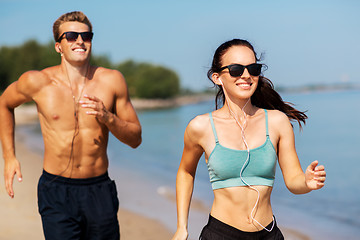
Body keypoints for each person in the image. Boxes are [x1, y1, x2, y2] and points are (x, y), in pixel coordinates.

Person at [0, 11, 142, 240]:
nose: (80, 41)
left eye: (86, 36)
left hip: (99, 190)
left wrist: (108, 118)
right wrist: (9, 157)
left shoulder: (112, 80)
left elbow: (136, 138)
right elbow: (4, 104)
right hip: (56, 190)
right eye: (71, 36)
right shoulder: (37, 82)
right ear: (59, 46)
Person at [172, 39, 326, 240]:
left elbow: (293, 181)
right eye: (236, 69)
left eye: (253, 68)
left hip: (269, 234)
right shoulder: (201, 127)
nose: (246, 75)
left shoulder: (277, 122)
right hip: (221, 234)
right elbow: (185, 172)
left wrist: (307, 182)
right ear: (217, 77)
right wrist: (181, 227)